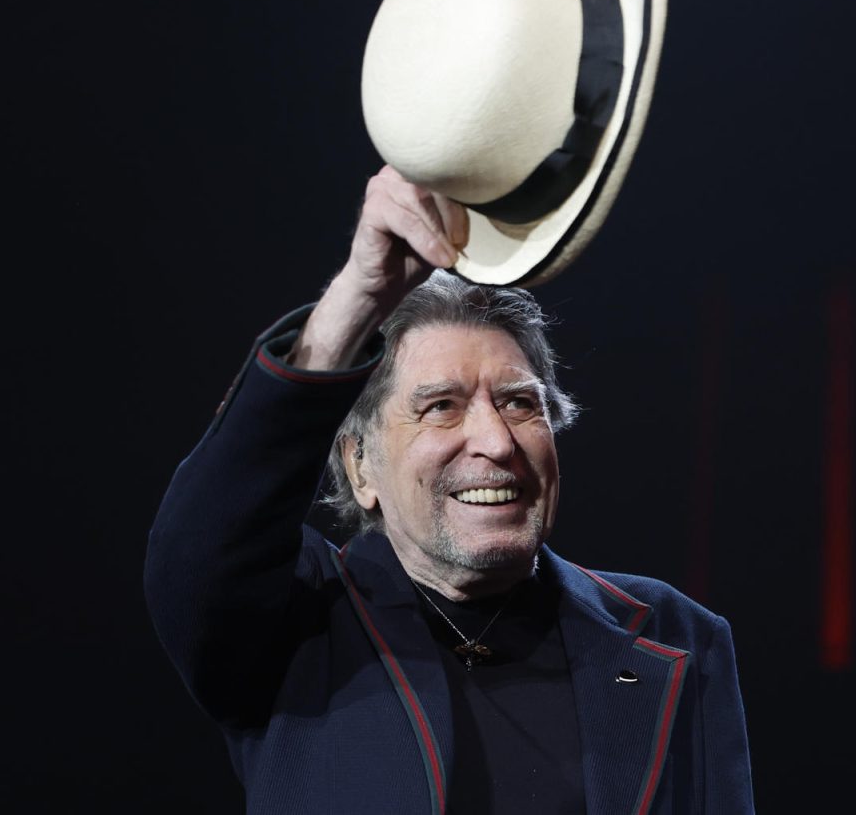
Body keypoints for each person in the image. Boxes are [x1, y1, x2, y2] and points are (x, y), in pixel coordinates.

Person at [144, 168, 756, 813]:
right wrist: (359, 294)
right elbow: (200, 544)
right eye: (441, 406)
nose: (495, 441)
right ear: (360, 466)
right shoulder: (294, 622)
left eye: (520, 403)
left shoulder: (675, 633)